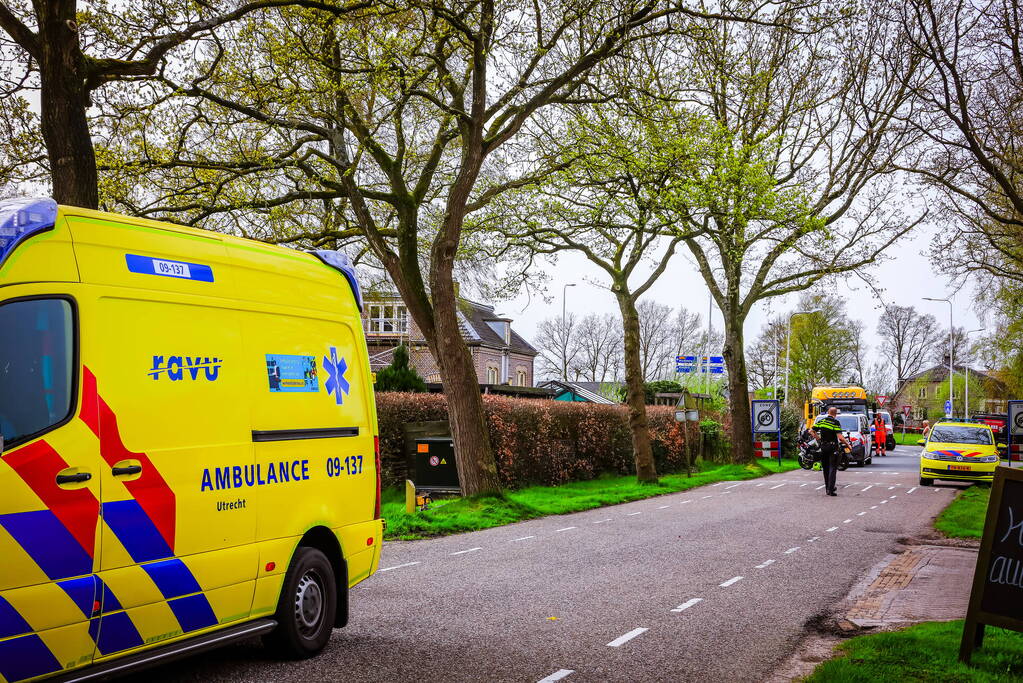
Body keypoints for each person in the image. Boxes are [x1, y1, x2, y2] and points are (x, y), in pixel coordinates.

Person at [810, 406, 853, 496]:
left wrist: (819, 439)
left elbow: (811, 431)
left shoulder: (822, 421)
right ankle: (831, 489)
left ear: (828, 413)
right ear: (835, 414)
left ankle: (827, 489)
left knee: (825, 468)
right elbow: (840, 438)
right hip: (832, 447)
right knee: (832, 468)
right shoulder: (835, 422)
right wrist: (848, 445)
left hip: (823, 447)